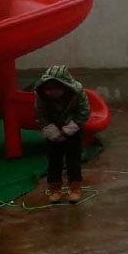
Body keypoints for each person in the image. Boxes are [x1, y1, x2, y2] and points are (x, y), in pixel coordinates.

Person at [33, 66, 90, 204]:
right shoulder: (41, 97)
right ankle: (55, 189)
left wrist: (67, 131)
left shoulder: (77, 93)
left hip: (73, 129)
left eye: (56, 89)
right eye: (49, 89)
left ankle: (74, 189)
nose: (52, 93)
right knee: (54, 161)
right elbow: (41, 116)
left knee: (73, 160)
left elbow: (84, 112)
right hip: (53, 130)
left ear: (65, 87)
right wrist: (54, 134)